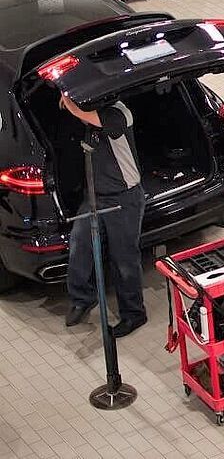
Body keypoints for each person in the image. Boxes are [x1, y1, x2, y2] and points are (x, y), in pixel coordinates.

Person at [61, 93, 147, 338]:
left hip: (124, 198)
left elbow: (86, 116)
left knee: (124, 259)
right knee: (80, 243)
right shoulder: (95, 110)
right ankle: (82, 298)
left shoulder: (118, 113)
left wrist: (70, 104)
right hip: (96, 197)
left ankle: (134, 314)